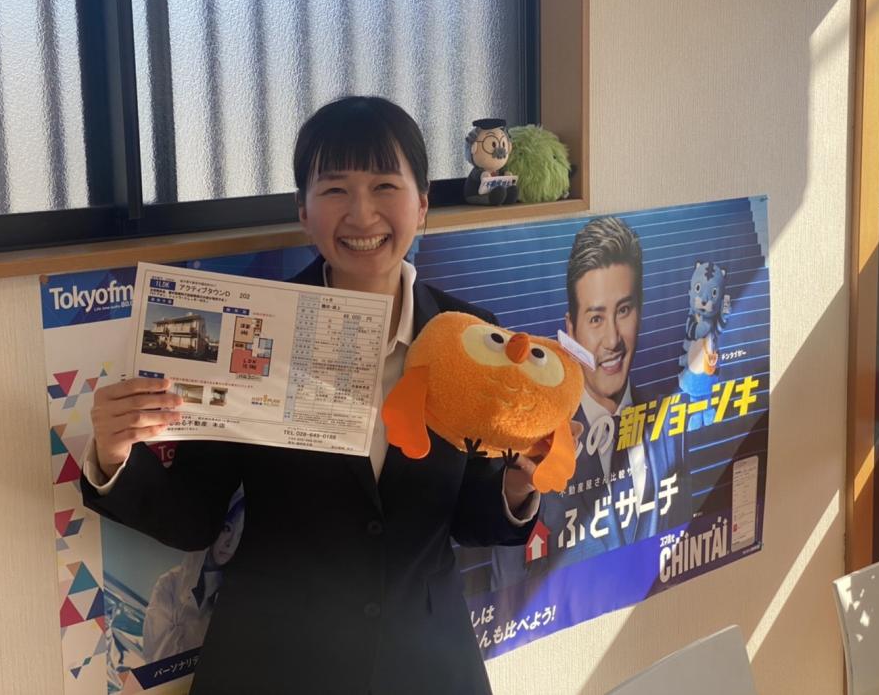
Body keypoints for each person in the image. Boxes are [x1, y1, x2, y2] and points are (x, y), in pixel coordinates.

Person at [80, 96, 544, 695]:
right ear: (304, 211)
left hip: (426, 663)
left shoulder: (473, 339)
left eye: (385, 185)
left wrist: (517, 485)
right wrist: (114, 456)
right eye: (335, 190)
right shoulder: (254, 330)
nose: (362, 213)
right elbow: (194, 517)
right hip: (272, 664)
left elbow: (473, 521)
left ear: (422, 203)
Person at [491, 216, 690, 588]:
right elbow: (507, 584)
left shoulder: (668, 422)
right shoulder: (536, 434)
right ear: (571, 329)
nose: (612, 339)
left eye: (624, 311)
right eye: (596, 318)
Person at [141, 493, 245, 662]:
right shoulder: (169, 583)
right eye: (227, 528)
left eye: (240, 535)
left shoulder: (237, 595)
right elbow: (155, 654)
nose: (230, 542)